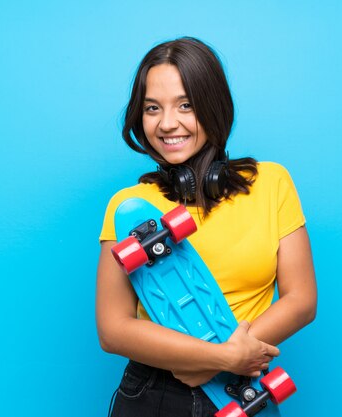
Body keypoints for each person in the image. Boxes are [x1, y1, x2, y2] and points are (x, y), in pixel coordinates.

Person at [96, 37, 317, 417]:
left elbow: (301, 300)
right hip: (155, 391)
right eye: (152, 108)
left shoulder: (272, 183)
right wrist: (219, 355)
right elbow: (113, 328)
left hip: (241, 389)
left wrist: (226, 361)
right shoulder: (130, 209)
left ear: (214, 107)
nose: (167, 123)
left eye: (186, 105)